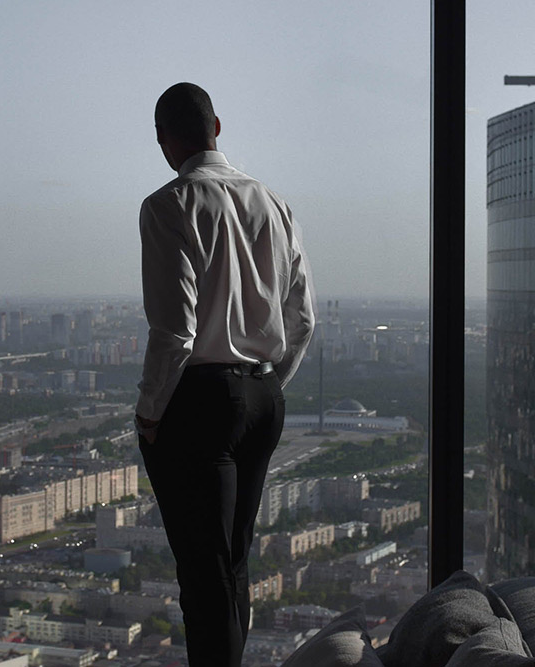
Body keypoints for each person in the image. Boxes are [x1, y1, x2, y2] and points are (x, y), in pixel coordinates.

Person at [135, 81, 314, 666]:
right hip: (262, 398)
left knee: (203, 575)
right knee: (234, 562)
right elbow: (302, 318)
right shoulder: (273, 202)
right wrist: (261, 386)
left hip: (199, 405)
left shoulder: (168, 206)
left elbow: (175, 331)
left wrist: (150, 411)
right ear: (217, 128)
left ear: (164, 141)